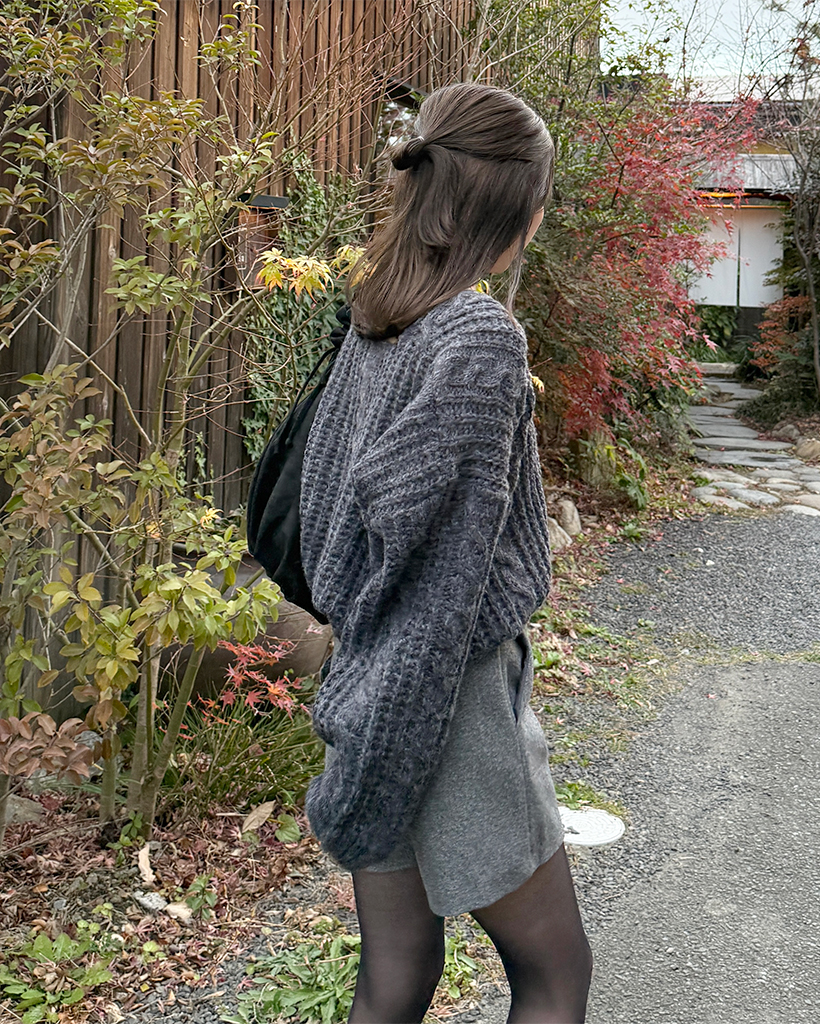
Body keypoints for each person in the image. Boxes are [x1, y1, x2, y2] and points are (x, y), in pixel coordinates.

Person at [299, 82, 592, 1024]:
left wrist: (363, 700)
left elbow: (331, 522)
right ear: (519, 208)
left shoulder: (378, 318)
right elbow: (444, 590)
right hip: (442, 703)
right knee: (555, 973)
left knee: (396, 975)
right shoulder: (479, 340)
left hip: (371, 674)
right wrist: (395, 738)